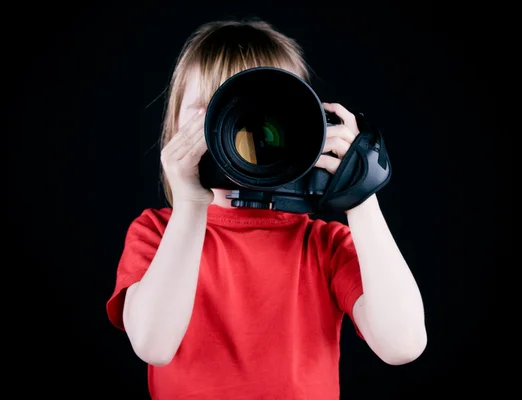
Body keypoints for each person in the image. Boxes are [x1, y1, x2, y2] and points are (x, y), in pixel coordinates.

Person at [106, 18, 427, 400]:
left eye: (259, 117)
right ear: (173, 128)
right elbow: (153, 346)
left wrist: (361, 195)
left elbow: (403, 344)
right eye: (209, 115)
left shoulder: (323, 244)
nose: (236, 133)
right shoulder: (156, 234)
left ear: (306, 129)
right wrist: (191, 204)